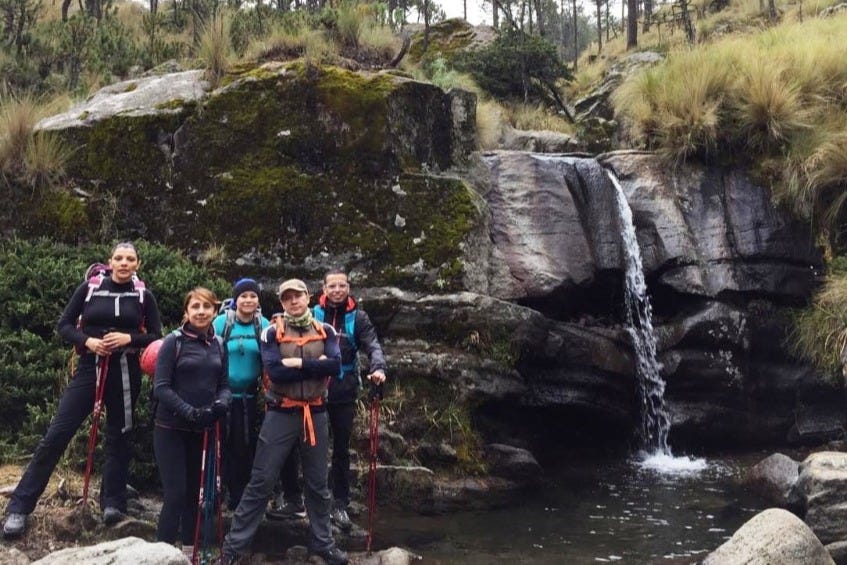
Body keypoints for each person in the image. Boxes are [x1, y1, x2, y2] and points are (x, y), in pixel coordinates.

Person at [2, 242, 163, 538]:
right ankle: (19, 507)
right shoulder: (88, 288)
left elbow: (156, 336)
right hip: (90, 366)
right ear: (110, 261)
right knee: (58, 433)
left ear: (137, 264)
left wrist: (129, 338)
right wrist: (87, 341)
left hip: (125, 371)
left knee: (120, 435)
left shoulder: (143, 295)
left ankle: (112, 501)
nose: (124, 263)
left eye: (130, 259)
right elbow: (63, 325)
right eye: (119, 258)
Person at [221, 279, 347, 565]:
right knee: (261, 480)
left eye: (298, 296)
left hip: (315, 413)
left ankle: (323, 544)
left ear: (308, 297)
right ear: (281, 302)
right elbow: (276, 372)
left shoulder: (325, 330)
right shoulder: (270, 333)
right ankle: (235, 547)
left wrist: (299, 364)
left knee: (317, 484)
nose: (293, 301)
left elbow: (335, 365)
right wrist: (315, 365)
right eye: (287, 298)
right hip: (280, 412)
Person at [271, 269, 387, 531]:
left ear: (348, 287)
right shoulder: (313, 315)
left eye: (341, 285)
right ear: (323, 289)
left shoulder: (358, 317)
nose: (337, 290)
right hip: (311, 391)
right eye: (332, 285)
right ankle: (293, 498)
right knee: (297, 446)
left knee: (341, 450)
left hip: (343, 392)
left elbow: (372, 344)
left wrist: (378, 368)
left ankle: (340, 504)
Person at [153, 287, 231, 556]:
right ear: (186, 312)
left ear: (215, 311)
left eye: (206, 307)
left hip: (204, 429)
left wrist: (222, 404)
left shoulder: (219, 344)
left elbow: (224, 384)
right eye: (195, 307)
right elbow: (161, 387)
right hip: (170, 428)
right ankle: (160, 556)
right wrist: (190, 412)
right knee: (175, 495)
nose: (201, 312)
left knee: (194, 498)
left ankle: (189, 554)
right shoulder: (172, 342)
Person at [211, 278, 270, 509]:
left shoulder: (262, 324)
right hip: (220, 396)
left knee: (243, 447)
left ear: (258, 300)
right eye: (243, 296)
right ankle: (214, 494)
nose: (248, 300)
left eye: (252, 296)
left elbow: (269, 358)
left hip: (248, 398)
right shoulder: (221, 323)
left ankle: (238, 496)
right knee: (219, 446)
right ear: (235, 299)